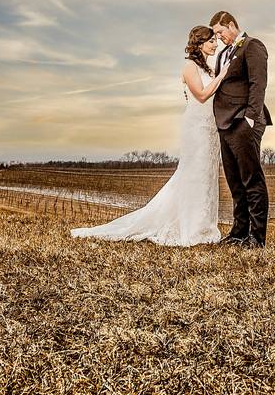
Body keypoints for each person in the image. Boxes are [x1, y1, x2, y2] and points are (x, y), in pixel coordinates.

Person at [70, 25, 228, 246]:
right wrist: (222, 76)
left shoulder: (209, 67)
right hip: (196, 128)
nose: (215, 44)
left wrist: (219, 76)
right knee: (193, 174)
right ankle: (190, 227)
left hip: (210, 129)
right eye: (212, 41)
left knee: (207, 176)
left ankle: (203, 226)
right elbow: (201, 95)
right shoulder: (189, 67)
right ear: (200, 43)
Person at [210, 11, 272, 248]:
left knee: (251, 180)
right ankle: (239, 233)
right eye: (216, 34)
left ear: (232, 25)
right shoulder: (225, 53)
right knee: (235, 182)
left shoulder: (252, 46)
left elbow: (259, 84)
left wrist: (250, 118)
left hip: (243, 122)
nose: (219, 38)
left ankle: (256, 238)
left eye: (220, 32)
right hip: (225, 124)